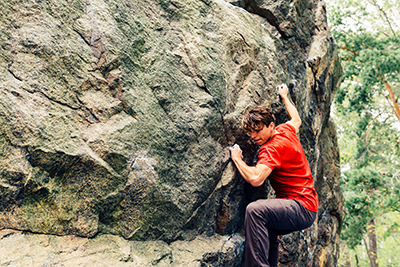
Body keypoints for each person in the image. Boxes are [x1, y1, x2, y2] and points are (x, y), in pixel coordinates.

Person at [228, 84, 318, 267]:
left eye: (258, 130)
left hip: (299, 207)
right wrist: (284, 97)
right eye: (250, 131)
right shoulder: (285, 130)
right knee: (266, 228)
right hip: (308, 207)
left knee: (255, 211)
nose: (253, 135)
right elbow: (296, 118)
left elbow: (256, 178)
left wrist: (237, 159)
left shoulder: (271, 149)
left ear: (270, 126)